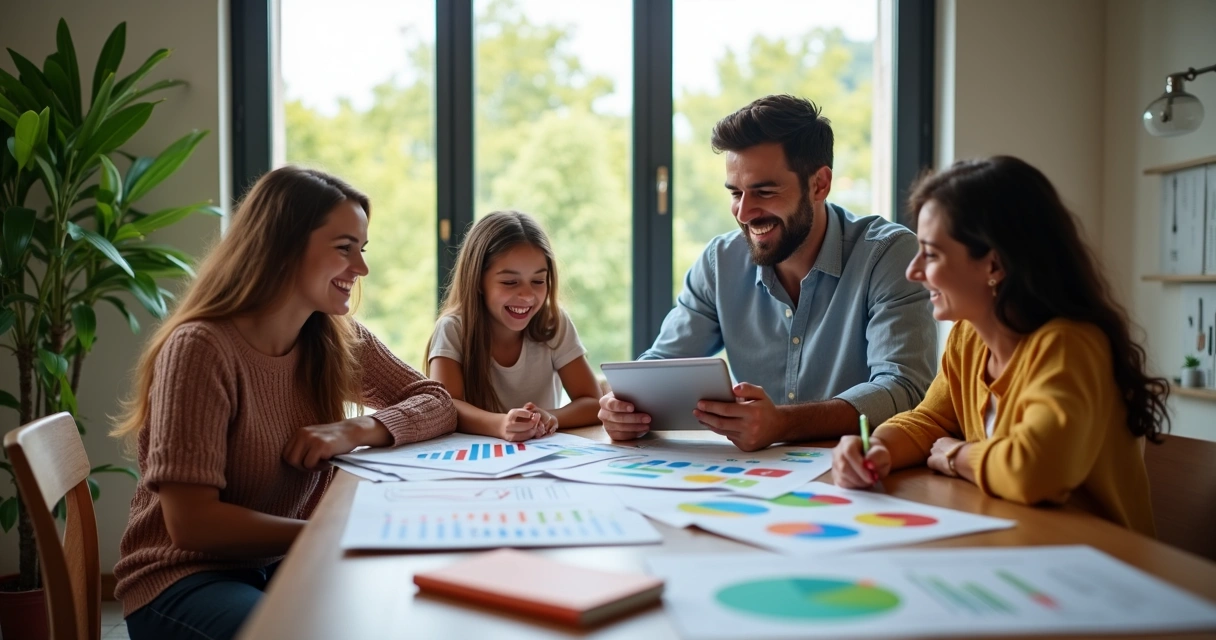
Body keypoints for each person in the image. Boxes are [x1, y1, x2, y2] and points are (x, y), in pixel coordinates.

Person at [111, 167, 458, 639]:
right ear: (284, 245)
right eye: (344, 248)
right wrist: (331, 532)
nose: (361, 269)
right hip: (183, 580)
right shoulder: (200, 348)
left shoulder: (331, 336)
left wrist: (354, 430)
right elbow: (191, 524)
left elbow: (435, 400)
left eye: (362, 249)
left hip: (279, 564)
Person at [831, 156, 1167, 536]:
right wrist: (875, 448)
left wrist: (955, 454)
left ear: (994, 266)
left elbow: (1035, 471)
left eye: (932, 253)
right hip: (1021, 548)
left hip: (1102, 566)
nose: (913, 271)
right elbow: (931, 421)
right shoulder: (967, 338)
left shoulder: (1070, 346)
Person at [599, 94, 937, 451]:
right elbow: (660, 368)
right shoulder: (720, 262)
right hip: (756, 481)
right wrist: (624, 407)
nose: (744, 213)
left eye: (764, 191)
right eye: (735, 193)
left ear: (819, 184)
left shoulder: (888, 254)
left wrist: (784, 423)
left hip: (858, 474)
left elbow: (904, 389)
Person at [426, 210, 602, 441]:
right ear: (478, 281)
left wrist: (550, 417)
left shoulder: (553, 324)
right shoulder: (453, 329)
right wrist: (500, 425)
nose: (527, 295)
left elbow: (593, 403)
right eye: (510, 282)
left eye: (538, 281)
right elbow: (445, 407)